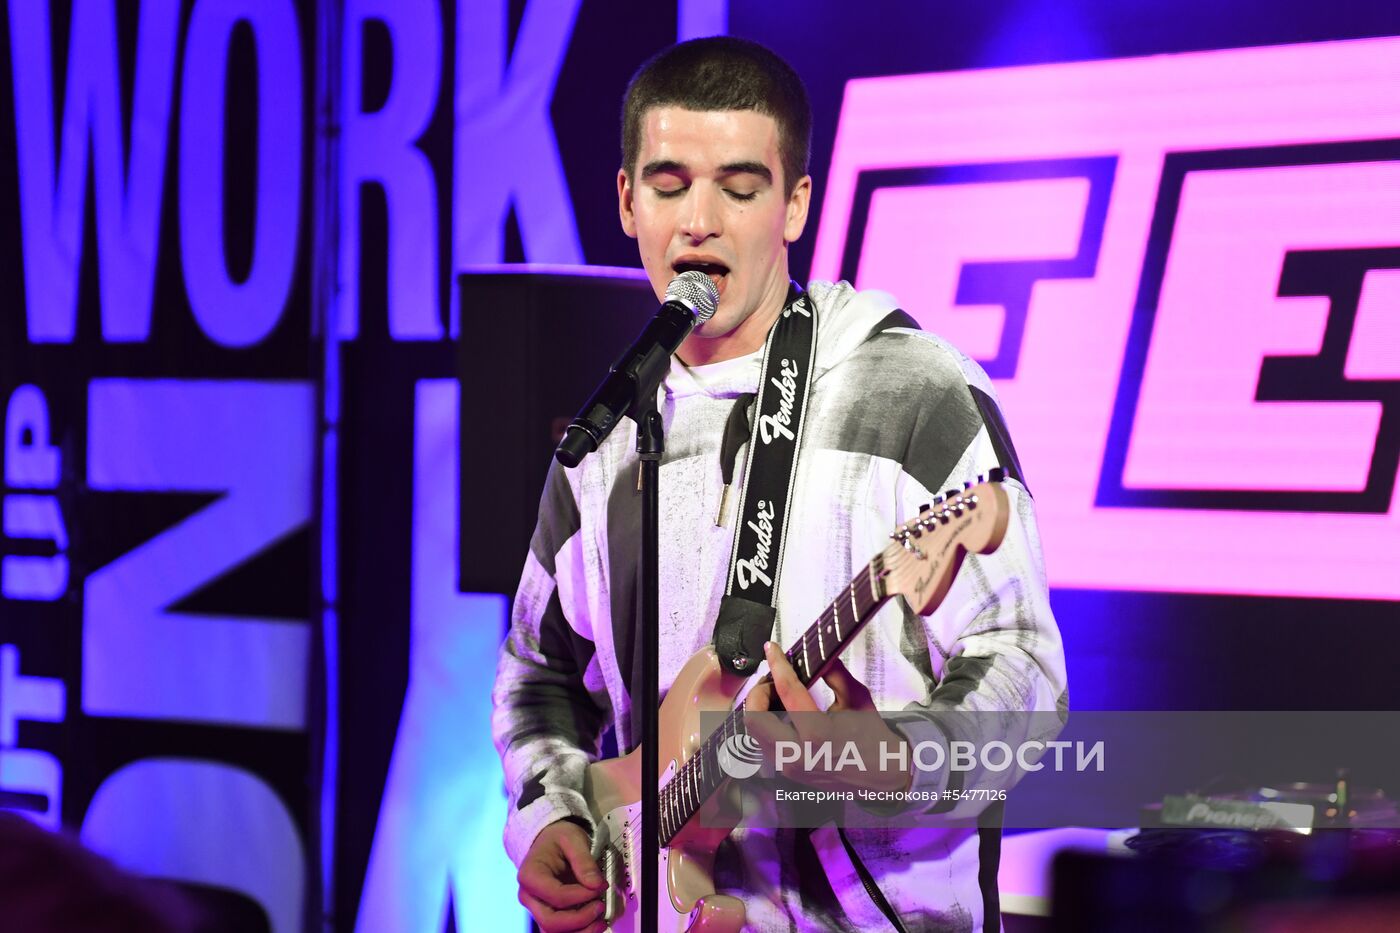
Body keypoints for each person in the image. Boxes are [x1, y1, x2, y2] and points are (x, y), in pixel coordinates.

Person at [492, 36, 1067, 933]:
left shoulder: (912, 390)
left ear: (795, 204)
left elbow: (1025, 670)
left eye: (740, 187)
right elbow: (539, 677)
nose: (699, 221)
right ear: (626, 200)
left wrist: (892, 762)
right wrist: (552, 815)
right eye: (670, 185)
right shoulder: (607, 438)